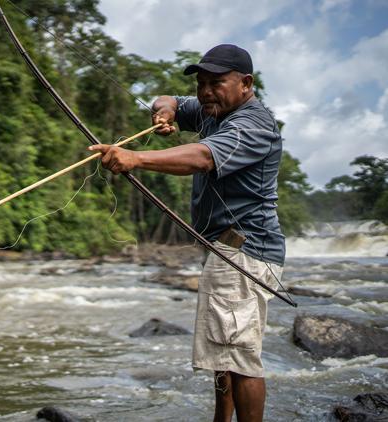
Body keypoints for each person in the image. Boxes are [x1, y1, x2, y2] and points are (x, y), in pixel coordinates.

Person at [88, 44, 285, 422]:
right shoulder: (212, 109)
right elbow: (168, 99)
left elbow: (203, 157)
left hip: (245, 253)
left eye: (217, 83)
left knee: (240, 357)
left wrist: (135, 158)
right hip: (225, 251)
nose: (206, 91)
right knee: (223, 352)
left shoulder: (252, 124)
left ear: (246, 83)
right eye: (201, 84)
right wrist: (163, 112)